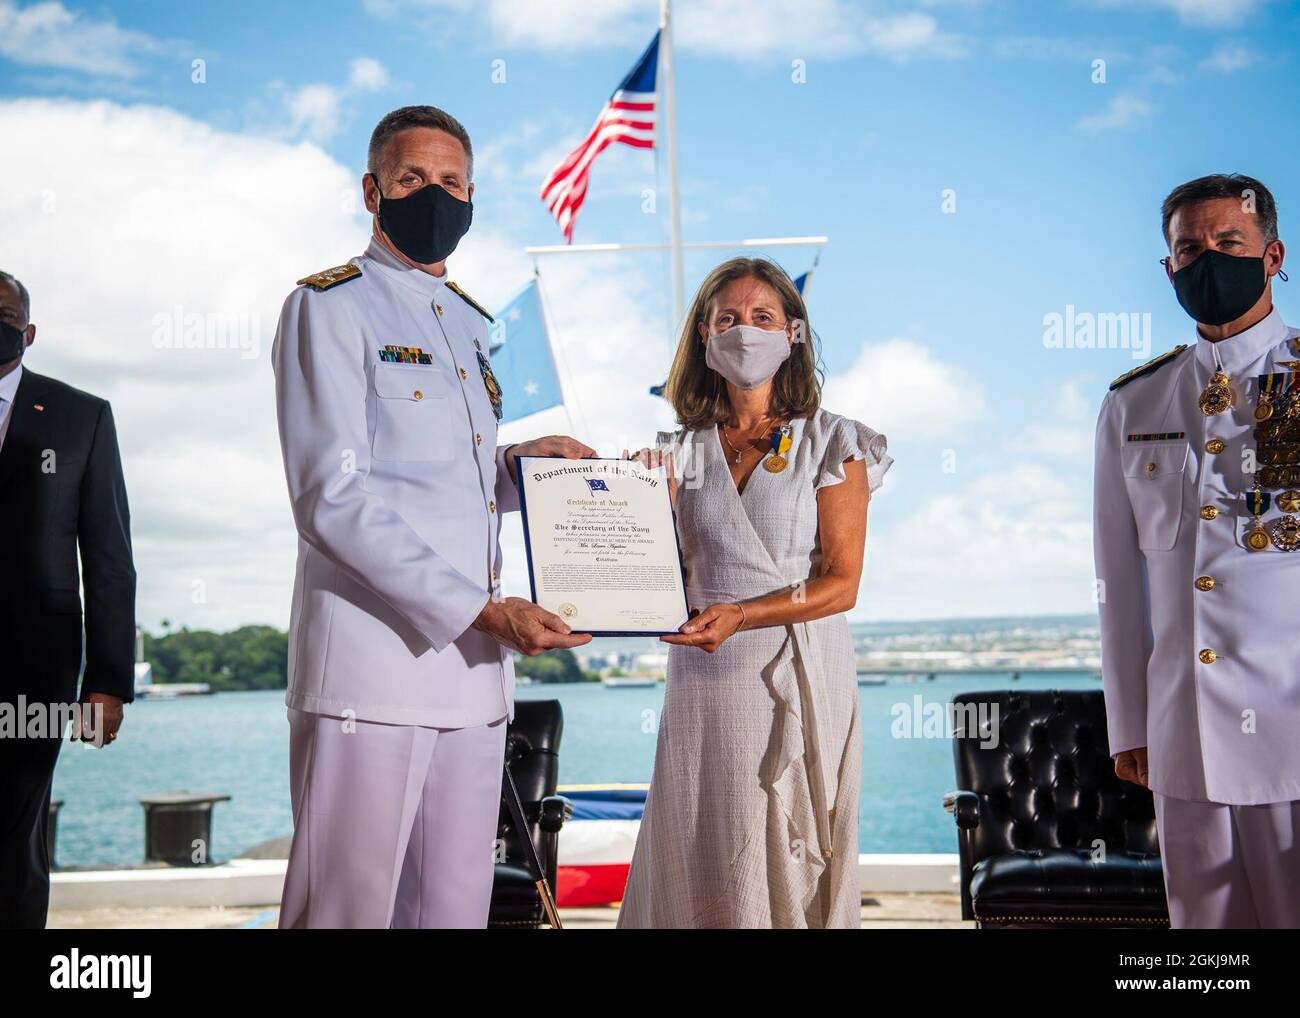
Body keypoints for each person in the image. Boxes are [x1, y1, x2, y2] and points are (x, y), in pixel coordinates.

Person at [272, 105, 594, 929]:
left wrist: (524, 469)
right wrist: (482, 609)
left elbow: (452, 482)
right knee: (346, 913)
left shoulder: (475, 324)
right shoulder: (329, 307)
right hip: (370, 676)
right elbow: (330, 498)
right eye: (413, 179)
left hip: (476, 678)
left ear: (474, 195)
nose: (434, 195)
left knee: (451, 911)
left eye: (451, 182)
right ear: (373, 191)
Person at [616, 257, 891, 928]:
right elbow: (657, 583)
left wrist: (744, 614)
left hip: (799, 671)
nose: (746, 330)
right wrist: (630, 506)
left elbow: (842, 584)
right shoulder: (675, 451)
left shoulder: (834, 441)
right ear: (705, 338)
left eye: (763, 317)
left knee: (787, 849)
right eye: (729, 318)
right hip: (703, 676)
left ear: (794, 334)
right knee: (701, 839)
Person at [1094, 173, 1300, 928]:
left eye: (1228, 243)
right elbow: (1118, 579)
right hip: (1184, 733)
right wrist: (1130, 724)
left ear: (1272, 254)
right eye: (1190, 248)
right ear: (1169, 268)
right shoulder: (1134, 403)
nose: (1208, 258)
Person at [0, 270, 135, 929]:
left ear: (28, 333)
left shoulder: (83, 416)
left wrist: (106, 683)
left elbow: (108, 560)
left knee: (14, 831)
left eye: (4, 315)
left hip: (34, 671)